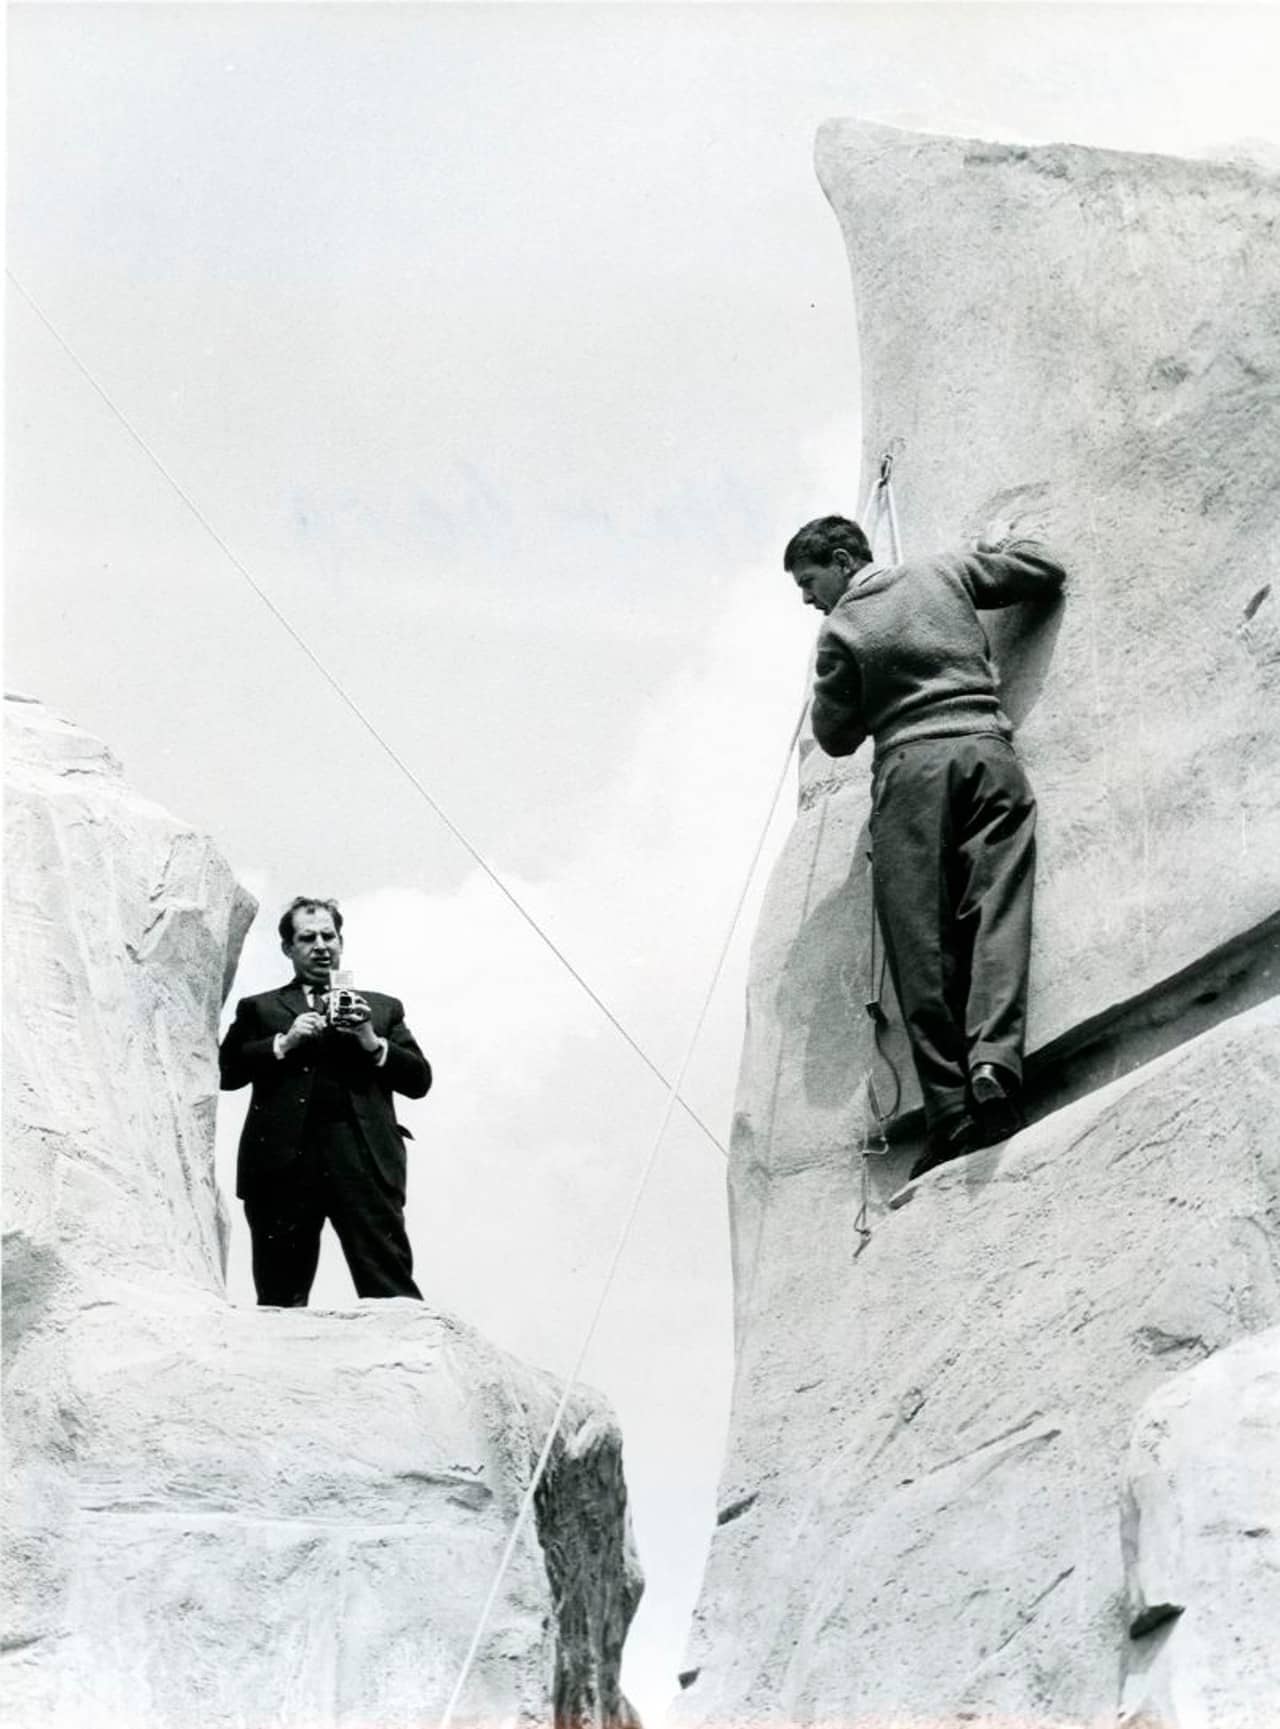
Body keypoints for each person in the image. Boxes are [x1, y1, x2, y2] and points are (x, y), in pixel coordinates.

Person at [785, 514, 1065, 1180]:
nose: (806, 598)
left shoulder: (842, 627)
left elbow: (834, 735)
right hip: (988, 753)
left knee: (922, 946)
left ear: (844, 560)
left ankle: (952, 1111)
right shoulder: (945, 569)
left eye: (808, 580)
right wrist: (1005, 541)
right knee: (997, 909)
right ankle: (995, 1062)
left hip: (913, 772)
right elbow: (1041, 569)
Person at [219, 895, 432, 1305]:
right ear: (287, 948)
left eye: (328, 936)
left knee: (390, 1286)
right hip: (282, 1167)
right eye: (307, 937)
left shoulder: (382, 1008)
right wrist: (284, 1041)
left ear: (341, 942)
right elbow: (224, 1073)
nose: (320, 945)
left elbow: (420, 1080)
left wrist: (372, 1040)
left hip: (364, 1162)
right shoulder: (258, 1008)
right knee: (280, 1295)